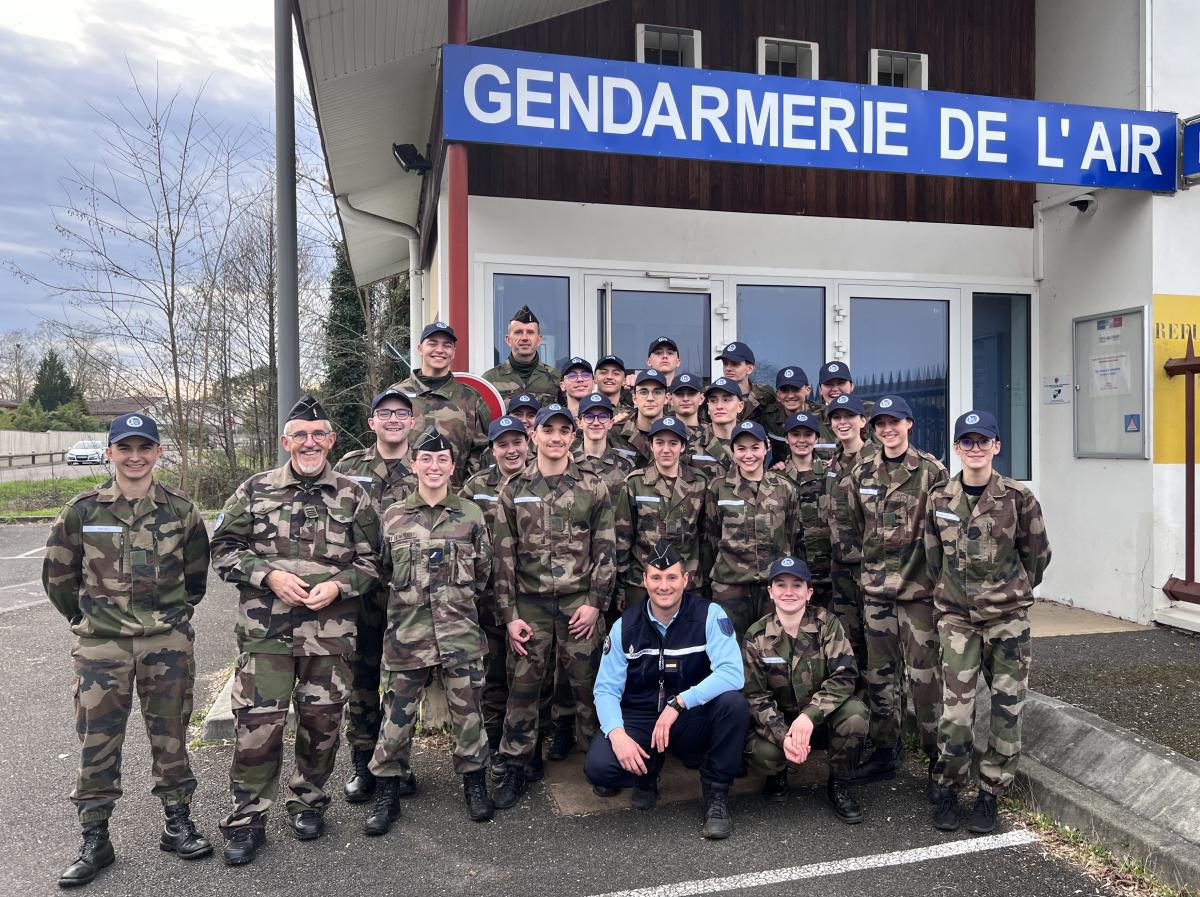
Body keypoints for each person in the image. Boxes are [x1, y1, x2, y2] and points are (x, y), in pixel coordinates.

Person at [44, 413, 212, 887]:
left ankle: (177, 821)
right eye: (125, 448)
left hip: (167, 643)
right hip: (103, 647)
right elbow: (58, 578)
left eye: (144, 448)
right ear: (110, 452)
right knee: (98, 740)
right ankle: (96, 837)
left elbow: (195, 578)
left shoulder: (182, 511)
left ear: (159, 452)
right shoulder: (82, 511)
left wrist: (172, 620)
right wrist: (87, 621)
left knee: (172, 733)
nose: (135, 457)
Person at [211, 395, 379, 866]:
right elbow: (222, 548)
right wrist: (268, 576)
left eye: (319, 434)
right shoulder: (254, 489)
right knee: (258, 725)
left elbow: (373, 560)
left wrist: (340, 585)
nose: (310, 442)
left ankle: (308, 800)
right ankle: (247, 818)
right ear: (286, 442)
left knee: (321, 721)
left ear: (331, 441)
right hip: (266, 632)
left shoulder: (352, 494)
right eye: (300, 435)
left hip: (329, 634)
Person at [926, 411, 1051, 834]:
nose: (975, 448)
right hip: (957, 619)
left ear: (997, 446)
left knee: (1006, 709)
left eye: (983, 441)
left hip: (1007, 621)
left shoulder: (1018, 497)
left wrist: (1008, 593)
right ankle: (948, 787)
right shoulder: (940, 497)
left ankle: (989, 793)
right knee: (956, 713)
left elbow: (1036, 555)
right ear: (957, 448)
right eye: (967, 441)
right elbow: (931, 557)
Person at [365, 429, 496, 834]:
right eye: (427, 459)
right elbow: (383, 570)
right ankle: (388, 790)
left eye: (442, 461)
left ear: (453, 467)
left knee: (468, 713)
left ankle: (475, 784)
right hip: (408, 634)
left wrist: (454, 602)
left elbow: (483, 574)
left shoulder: (471, 515)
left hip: (459, 631)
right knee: (396, 718)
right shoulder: (393, 517)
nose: (434, 467)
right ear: (415, 464)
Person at [490, 403, 616, 808]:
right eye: (549, 430)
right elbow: (502, 560)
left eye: (564, 430)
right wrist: (509, 616)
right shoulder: (513, 490)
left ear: (573, 437)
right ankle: (517, 766)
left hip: (580, 603)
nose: (557, 437)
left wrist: (596, 604)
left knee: (590, 687)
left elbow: (606, 550)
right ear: (535, 437)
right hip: (531, 606)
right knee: (524, 689)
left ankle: (601, 762)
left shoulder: (593, 487)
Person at [586, 542, 747, 840]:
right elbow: (606, 689)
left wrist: (680, 703)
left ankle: (716, 795)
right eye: (656, 578)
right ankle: (648, 771)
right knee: (599, 768)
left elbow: (733, 673)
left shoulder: (710, 615)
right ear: (644, 580)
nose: (664, 586)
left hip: (688, 716)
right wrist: (617, 735)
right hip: (643, 716)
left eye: (672, 578)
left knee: (733, 704)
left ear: (685, 580)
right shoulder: (625, 626)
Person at [839, 395, 948, 797]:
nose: (888, 429)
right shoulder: (861, 471)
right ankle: (887, 751)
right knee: (881, 678)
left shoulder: (932, 471)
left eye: (895, 422)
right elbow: (852, 522)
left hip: (918, 593)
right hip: (876, 592)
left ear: (909, 424)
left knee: (924, 680)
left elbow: (944, 527)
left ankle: (938, 761)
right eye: (881, 423)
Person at [334, 388, 418, 805]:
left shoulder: (426, 465)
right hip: (362, 590)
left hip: (408, 594)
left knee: (403, 682)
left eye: (401, 413)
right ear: (372, 423)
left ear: (413, 422)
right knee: (362, 681)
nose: (393, 420)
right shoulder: (349, 467)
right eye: (384, 413)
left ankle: (399, 762)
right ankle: (362, 763)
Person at [742, 556, 868, 824]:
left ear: (809, 592)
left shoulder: (827, 624)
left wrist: (809, 716)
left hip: (820, 721)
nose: (789, 592)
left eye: (797, 585)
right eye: (781, 584)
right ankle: (778, 772)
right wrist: (782, 735)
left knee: (856, 714)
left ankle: (840, 782)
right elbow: (756, 696)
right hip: (781, 724)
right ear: (770, 592)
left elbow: (844, 676)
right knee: (766, 755)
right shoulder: (756, 636)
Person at [459, 415, 533, 768]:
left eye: (516, 442)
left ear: (528, 443)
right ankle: (493, 739)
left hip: (528, 590)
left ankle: (527, 740)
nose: (511, 450)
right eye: (502, 444)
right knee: (492, 670)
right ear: (492, 450)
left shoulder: (539, 481)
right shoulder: (476, 487)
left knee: (527, 671)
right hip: (487, 595)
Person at [704, 420, 802, 640]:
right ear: (733, 451)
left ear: (766, 447)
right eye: (741, 448)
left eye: (755, 447)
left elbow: (792, 534)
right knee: (730, 649)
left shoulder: (784, 488)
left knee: (772, 648)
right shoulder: (719, 488)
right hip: (730, 587)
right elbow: (710, 535)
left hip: (772, 586)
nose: (749, 455)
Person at [614, 415, 709, 614]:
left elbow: (706, 535)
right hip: (643, 581)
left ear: (683, 447)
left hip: (688, 581)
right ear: (651, 445)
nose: (666, 449)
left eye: (673, 443)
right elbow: (623, 538)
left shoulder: (699, 483)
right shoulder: (635, 483)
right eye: (660, 443)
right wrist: (622, 586)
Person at [390, 321, 490, 486]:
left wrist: (467, 492)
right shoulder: (396, 395)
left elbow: (480, 452)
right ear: (420, 348)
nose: (439, 350)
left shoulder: (470, 398)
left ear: (453, 352)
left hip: (453, 499)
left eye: (447, 345)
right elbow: (384, 445)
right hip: (403, 498)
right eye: (432, 343)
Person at [821, 393, 878, 669]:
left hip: (871, 567)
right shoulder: (832, 464)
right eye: (837, 417)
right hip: (841, 566)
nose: (843, 422)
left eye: (849, 417)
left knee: (877, 642)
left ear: (863, 421)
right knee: (848, 640)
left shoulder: (877, 462)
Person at [778, 411, 833, 609]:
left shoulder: (833, 474)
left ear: (817, 438)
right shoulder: (775, 477)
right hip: (792, 577)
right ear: (786, 438)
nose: (802, 440)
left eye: (808, 435)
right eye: (795, 435)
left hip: (829, 574)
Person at [482, 305, 562, 406]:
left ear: (539, 339)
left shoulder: (557, 378)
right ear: (508, 340)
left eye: (530, 332)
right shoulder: (490, 380)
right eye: (518, 332)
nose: (525, 338)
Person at [716, 341, 784, 438]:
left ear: (750, 368)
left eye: (735, 364)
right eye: (725, 364)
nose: (728, 368)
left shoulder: (765, 394)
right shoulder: (711, 394)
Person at [610, 369, 669, 467]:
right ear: (634, 399)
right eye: (643, 392)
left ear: (666, 398)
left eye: (657, 392)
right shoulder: (614, 434)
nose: (650, 398)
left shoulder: (678, 434)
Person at [815, 361, 872, 453]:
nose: (835, 389)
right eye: (829, 384)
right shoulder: (813, 420)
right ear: (820, 390)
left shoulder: (871, 412)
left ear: (852, 386)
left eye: (841, 383)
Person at [698, 377, 744, 474]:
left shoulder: (753, 444)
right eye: (713, 400)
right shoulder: (693, 443)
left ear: (740, 406)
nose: (719, 406)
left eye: (726, 400)